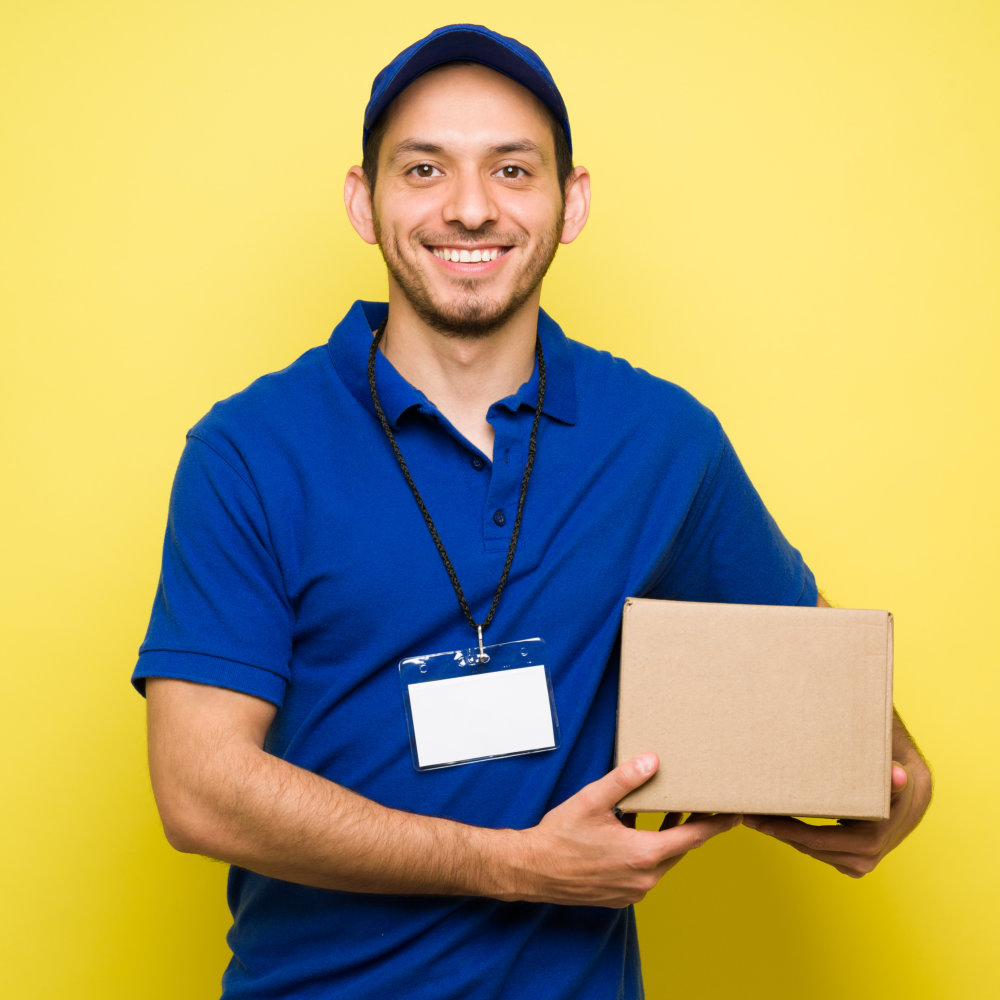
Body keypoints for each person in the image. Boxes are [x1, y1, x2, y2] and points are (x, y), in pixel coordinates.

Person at [134, 24, 931, 1000]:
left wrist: (881, 785)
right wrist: (510, 863)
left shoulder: (662, 440)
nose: (470, 208)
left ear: (571, 201)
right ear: (363, 199)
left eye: (512, 170)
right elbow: (198, 789)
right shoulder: (250, 449)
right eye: (423, 169)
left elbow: (846, 720)